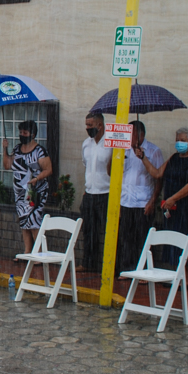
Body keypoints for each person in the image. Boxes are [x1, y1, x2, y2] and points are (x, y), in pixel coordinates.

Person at [141, 127, 188, 286]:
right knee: (174, 237)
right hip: (172, 207)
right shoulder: (174, 157)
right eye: (177, 140)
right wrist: (143, 158)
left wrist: (174, 198)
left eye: (183, 140)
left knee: (187, 237)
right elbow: (158, 174)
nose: (179, 143)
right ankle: (177, 273)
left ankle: (187, 277)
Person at [112, 120, 163, 275]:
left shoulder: (153, 151)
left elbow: (159, 179)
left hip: (143, 202)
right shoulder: (123, 150)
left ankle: (145, 270)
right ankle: (127, 269)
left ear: (141, 135)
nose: (128, 136)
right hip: (125, 201)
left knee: (143, 238)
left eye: (131, 133)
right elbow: (114, 174)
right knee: (126, 238)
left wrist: (153, 201)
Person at [2, 120, 53, 255]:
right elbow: (7, 165)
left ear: (32, 134)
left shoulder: (39, 151)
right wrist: (5, 149)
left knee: (34, 220)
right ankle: (27, 251)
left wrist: (37, 178)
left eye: (25, 133)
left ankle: (39, 253)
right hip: (20, 192)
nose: (22, 135)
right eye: (20, 132)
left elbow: (48, 169)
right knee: (24, 221)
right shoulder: (17, 149)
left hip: (35, 191)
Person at [81, 112, 113, 271]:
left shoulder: (111, 143)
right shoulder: (86, 144)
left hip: (106, 193)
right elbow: (86, 165)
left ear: (100, 125)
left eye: (90, 125)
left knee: (108, 231)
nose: (87, 128)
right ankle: (88, 263)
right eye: (86, 125)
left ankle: (109, 265)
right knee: (89, 230)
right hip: (90, 193)